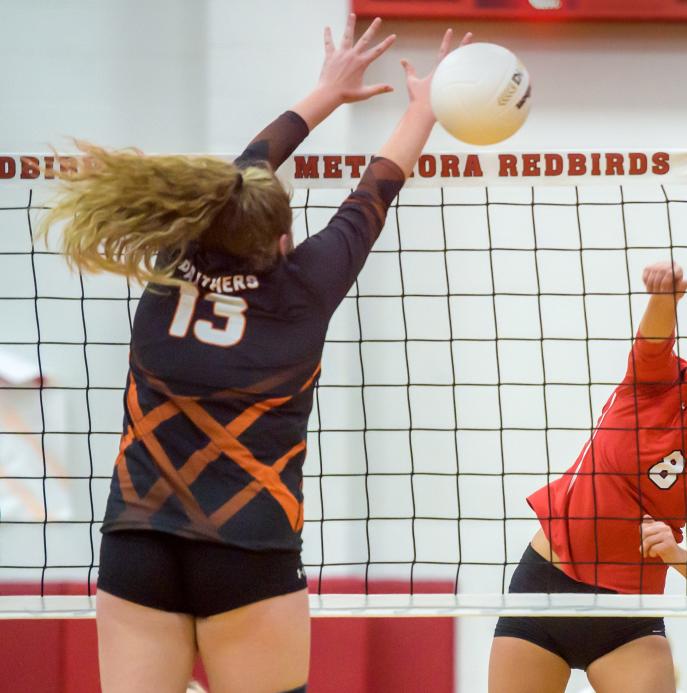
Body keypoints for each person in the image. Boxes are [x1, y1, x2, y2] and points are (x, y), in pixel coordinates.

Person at [39, 15, 471, 693]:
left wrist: (326, 90)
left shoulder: (173, 258)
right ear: (281, 238)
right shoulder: (304, 290)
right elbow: (377, 188)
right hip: (249, 551)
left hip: (140, 544)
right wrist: (426, 105)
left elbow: (250, 167)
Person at [488, 261, 687, 693]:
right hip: (545, 587)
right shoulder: (657, 378)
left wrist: (675, 554)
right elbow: (655, 336)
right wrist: (664, 297)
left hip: (627, 619)